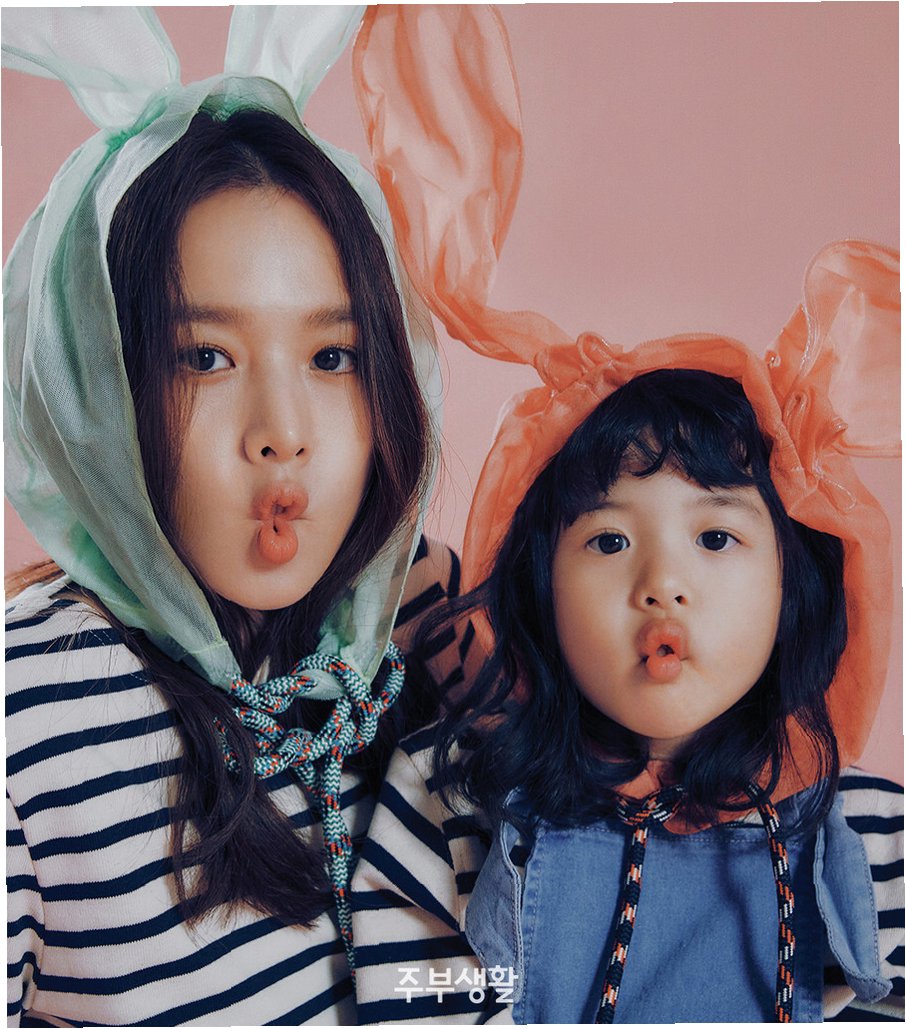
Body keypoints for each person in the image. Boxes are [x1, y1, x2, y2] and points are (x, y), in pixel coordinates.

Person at [347, 12, 902, 1024]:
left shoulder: (867, 830)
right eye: (608, 540)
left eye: (717, 537)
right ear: (536, 588)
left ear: (796, 583)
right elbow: (410, 994)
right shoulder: (456, 805)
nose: (662, 584)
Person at [5, 8, 464, 1026]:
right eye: (205, 358)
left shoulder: (425, 625)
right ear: (99, 382)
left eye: (332, 357)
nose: (282, 434)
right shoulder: (28, 711)